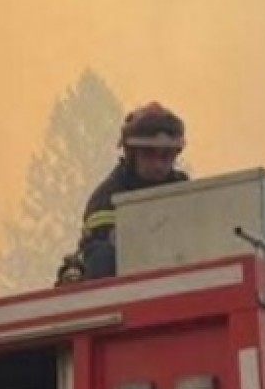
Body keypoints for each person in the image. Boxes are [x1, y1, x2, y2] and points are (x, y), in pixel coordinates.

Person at [56, 101, 190, 285]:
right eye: (149, 154)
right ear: (131, 154)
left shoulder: (185, 192)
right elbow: (100, 266)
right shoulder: (107, 201)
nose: (158, 165)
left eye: (166, 156)